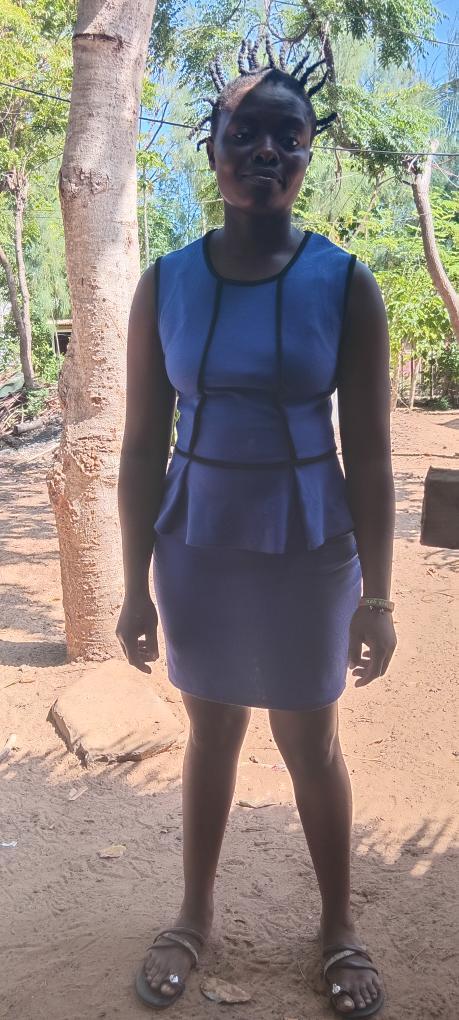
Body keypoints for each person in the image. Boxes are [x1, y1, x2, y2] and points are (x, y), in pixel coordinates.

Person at [116, 39, 397, 1018]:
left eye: (289, 134)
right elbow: (141, 446)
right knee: (212, 731)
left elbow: (371, 456)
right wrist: (132, 586)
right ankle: (193, 916)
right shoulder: (164, 284)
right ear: (213, 148)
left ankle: (338, 928)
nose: (266, 150)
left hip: (311, 551)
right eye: (246, 133)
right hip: (196, 546)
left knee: (308, 738)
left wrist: (378, 596)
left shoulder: (348, 284)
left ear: (310, 151)